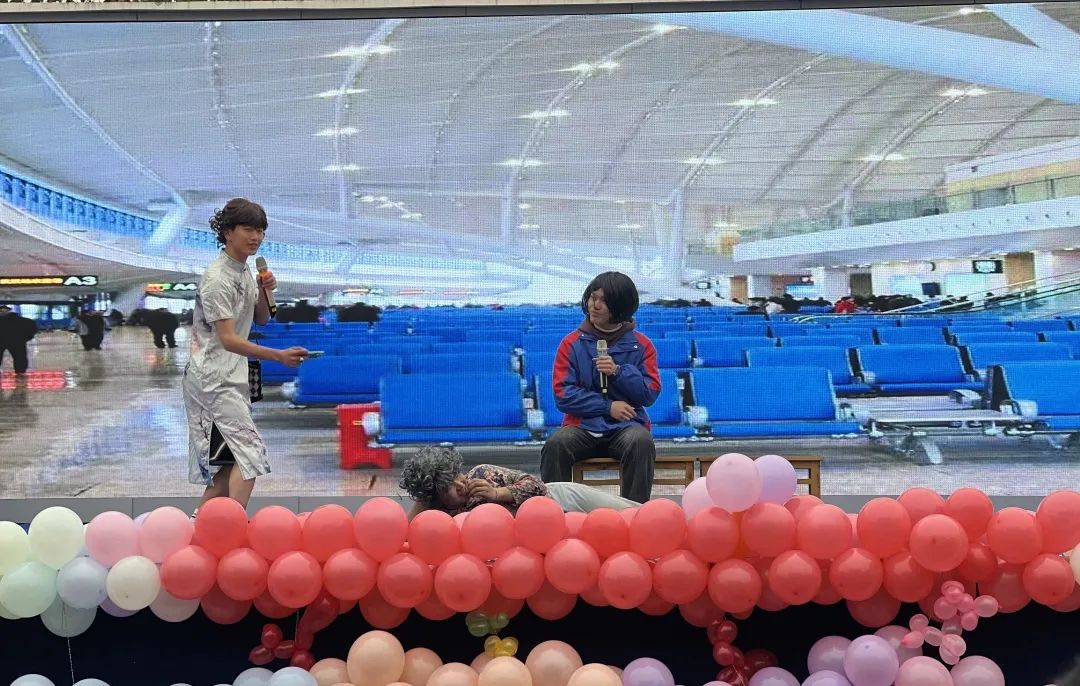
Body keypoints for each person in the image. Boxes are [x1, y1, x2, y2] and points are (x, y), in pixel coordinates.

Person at [183, 198, 308, 510]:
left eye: (261, 231)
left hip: (231, 375)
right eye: (248, 229)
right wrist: (278, 356)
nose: (256, 237)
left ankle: (201, 525)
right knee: (249, 456)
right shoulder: (217, 278)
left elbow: (262, 319)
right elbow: (227, 339)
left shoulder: (244, 272)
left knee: (227, 466)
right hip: (212, 379)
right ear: (227, 232)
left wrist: (266, 290)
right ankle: (234, 526)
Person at [540, 271, 659, 503]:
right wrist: (607, 407)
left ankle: (634, 512)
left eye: (603, 301)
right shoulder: (571, 344)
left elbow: (649, 393)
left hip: (626, 427)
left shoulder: (642, 345)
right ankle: (555, 511)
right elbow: (563, 395)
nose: (594, 305)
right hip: (582, 427)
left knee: (641, 442)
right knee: (556, 445)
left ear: (621, 306)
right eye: (592, 298)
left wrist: (619, 372)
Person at [400, 445, 636, 518]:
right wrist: (426, 497)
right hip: (551, 529)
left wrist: (497, 494)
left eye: (456, 475)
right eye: (448, 487)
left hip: (560, 498)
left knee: (634, 515)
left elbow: (536, 485)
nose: (460, 485)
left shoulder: (481, 473)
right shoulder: (443, 518)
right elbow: (408, 530)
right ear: (435, 499)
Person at [0, 305, 38, 374]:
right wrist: (24, 339)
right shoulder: (25, 321)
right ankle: (21, 374)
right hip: (17, 342)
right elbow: (33, 329)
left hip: (2, 341)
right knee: (20, 359)